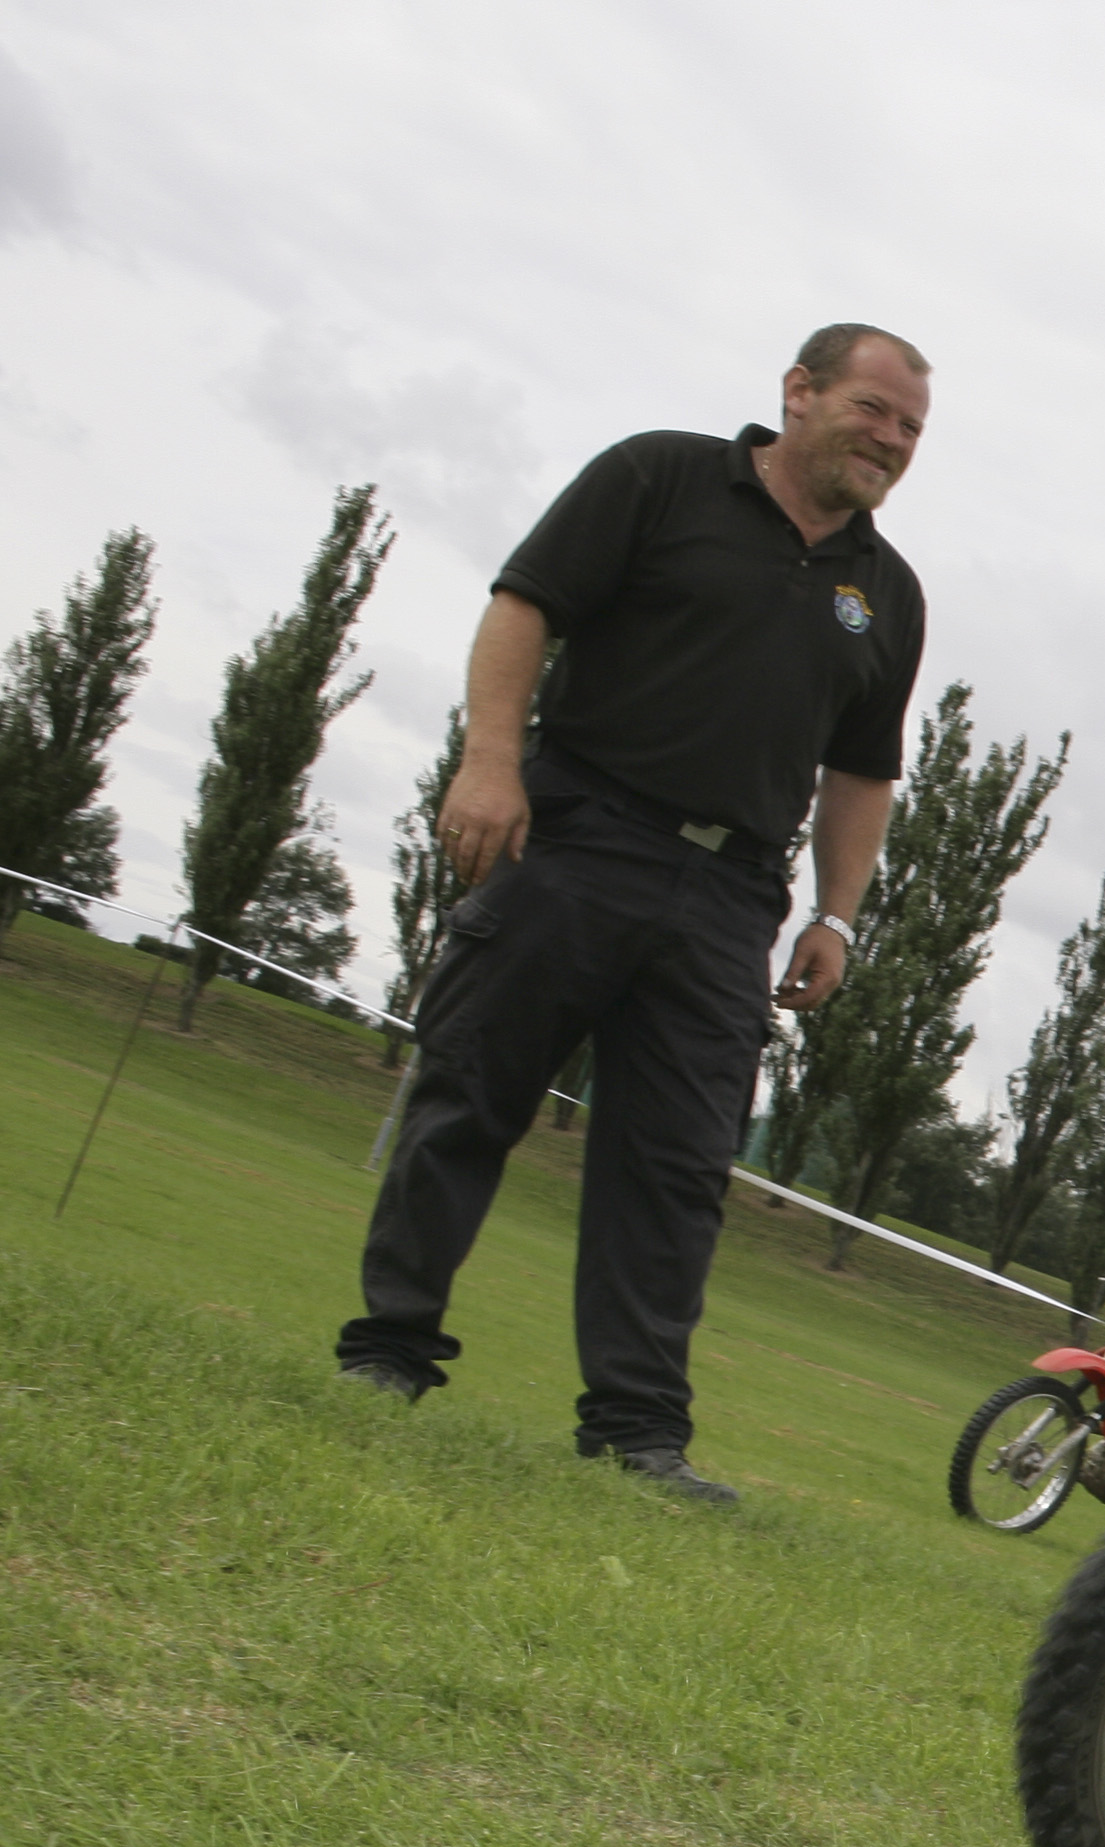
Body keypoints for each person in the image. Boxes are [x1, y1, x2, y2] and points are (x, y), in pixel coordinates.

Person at [333, 324, 937, 1504]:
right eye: (871, 409)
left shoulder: (889, 592)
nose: (890, 440)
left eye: (910, 428)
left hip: (730, 897)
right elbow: (525, 606)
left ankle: (636, 1433)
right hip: (577, 837)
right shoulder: (659, 476)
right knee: (469, 1097)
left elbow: (864, 770)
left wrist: (838, 916)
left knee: (675, 1171)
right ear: (799, 391)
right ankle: (389, 1353)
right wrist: (489, 763)